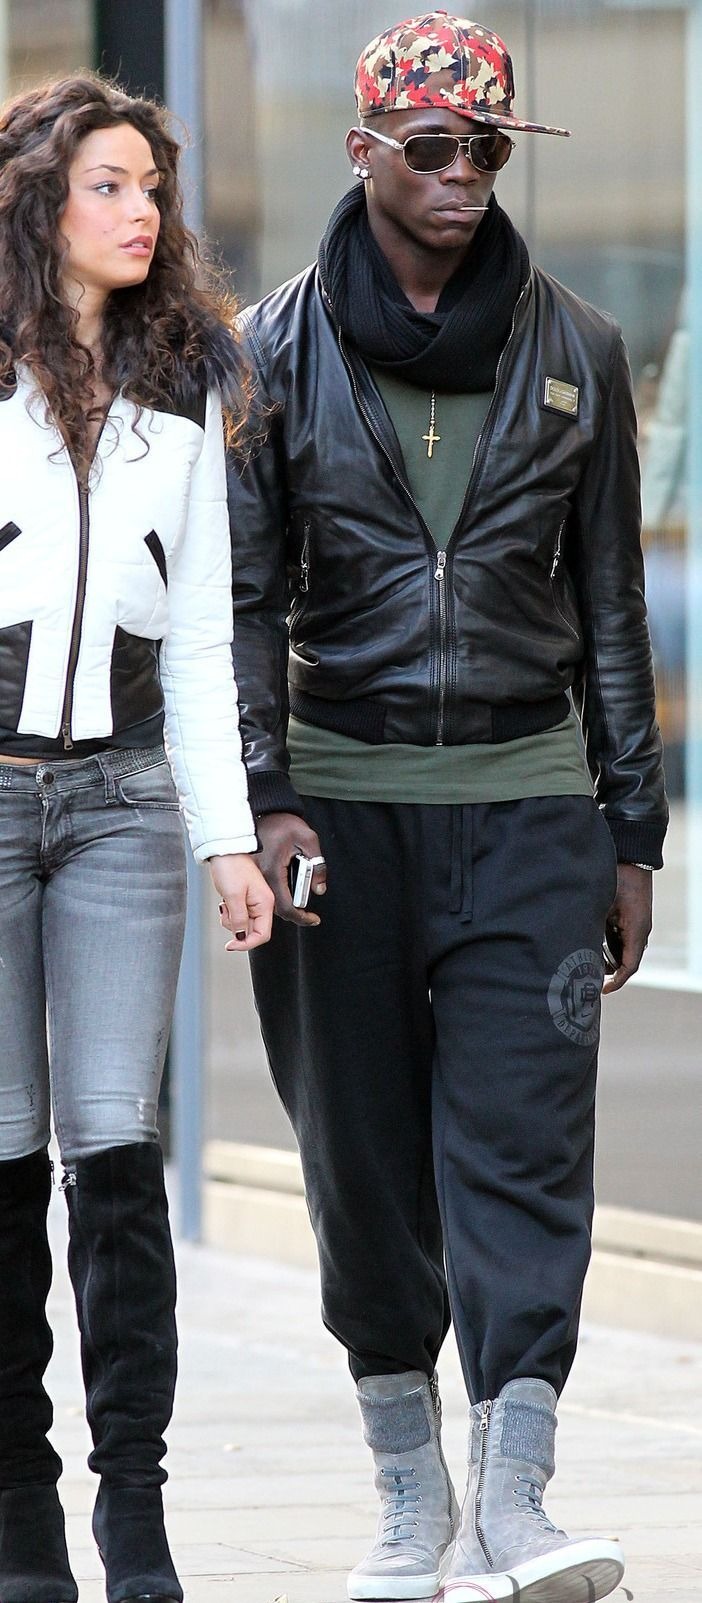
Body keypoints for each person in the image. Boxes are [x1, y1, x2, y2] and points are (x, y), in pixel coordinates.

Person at [227, 13, 668, 1603]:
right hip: (338, 816)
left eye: (486, 147)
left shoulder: (577, 348)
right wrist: (263, 798)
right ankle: (409, 1503)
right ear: (365, 154)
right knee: (359, 1166)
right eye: (432, 148)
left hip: (528, 807)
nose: (464, 175)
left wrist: (631, 831)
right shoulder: (266, 354)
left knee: (524, 1153)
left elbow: (609, 604)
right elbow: (240, 605)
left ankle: (519, 1505)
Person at [0, 72, 273, 1603]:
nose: (141, 211)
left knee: (116, 1156)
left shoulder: (183, 394)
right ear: (39, 203)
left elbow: (204, 646)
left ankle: (137, 1514)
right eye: (107, 185)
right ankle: (17, 1515)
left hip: (120, 807)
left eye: (151, 188)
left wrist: (227, 837)